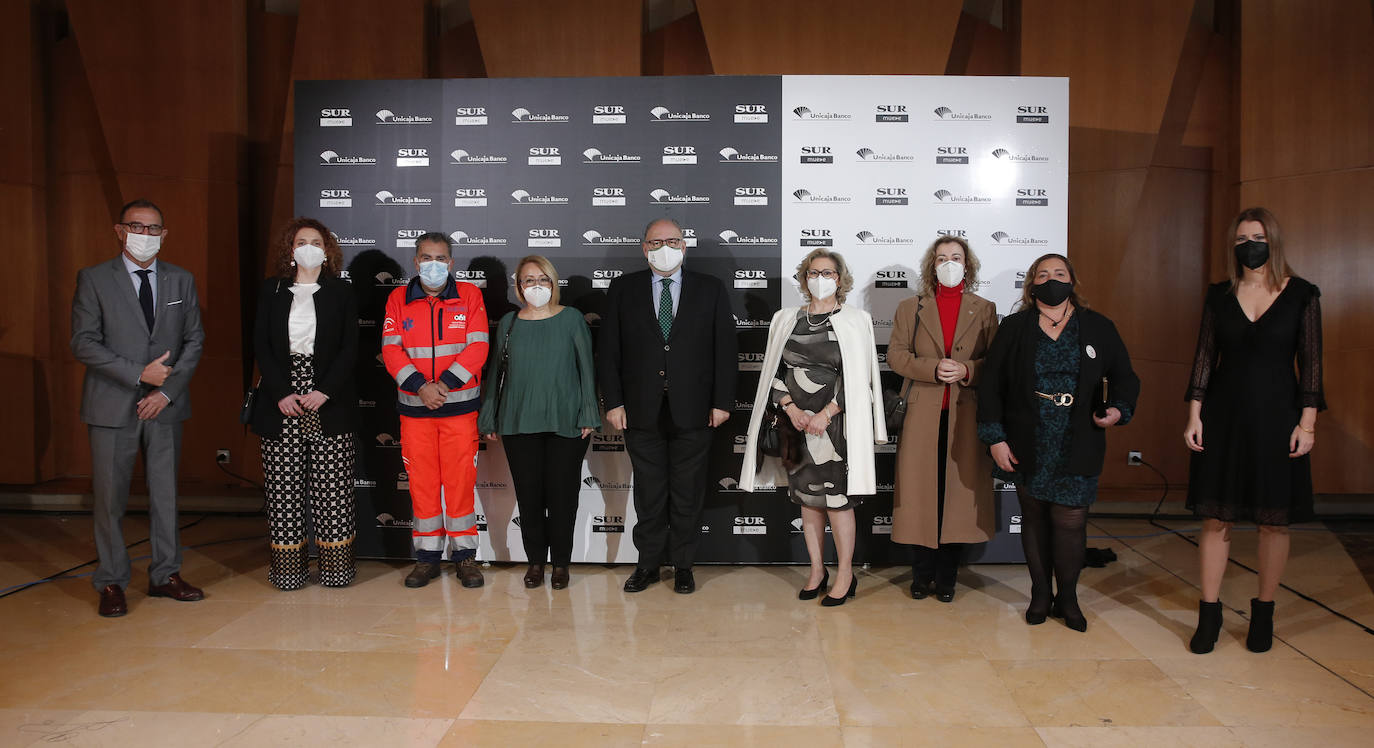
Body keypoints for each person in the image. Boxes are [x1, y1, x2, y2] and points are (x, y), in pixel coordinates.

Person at [1184, 207, 1324, 654]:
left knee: (1273, 521)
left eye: (1257, 236)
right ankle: (1209, 612)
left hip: (1279, 418)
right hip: (1223, 416)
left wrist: (1308, 424)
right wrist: (1194, 415)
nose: (1249, 245)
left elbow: (1312, 367)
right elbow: (1204, 360)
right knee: (1215, 517)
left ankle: (1264, 611)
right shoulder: (1218, 295)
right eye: (1242, 238)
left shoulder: (1302, 294)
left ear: (1273, 241)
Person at [977, 253, 1139, 631]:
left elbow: (1125, 379)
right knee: (1033, 518)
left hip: (1079, 438)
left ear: (1072, 281)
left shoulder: (1097, 326)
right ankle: (1039, 593)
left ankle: (1067, 596)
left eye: (1060, 273)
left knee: (1070, 521)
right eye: (1043, 274)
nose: (1052, 279)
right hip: (1026, 439)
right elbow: (991, 387)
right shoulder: (1014, 327)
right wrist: (995, 438)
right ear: (1032, 283)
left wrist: (1118, 410)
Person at [70, 198, 206, 617]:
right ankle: (111, 580)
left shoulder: (181, 281)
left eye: (153, 229)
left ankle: (166, 574)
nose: (145, 235)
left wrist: (164, 392)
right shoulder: (94, 278)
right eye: (137, 227)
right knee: (109, 499)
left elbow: (193, 341)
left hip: (165, 406)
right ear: (119, 230)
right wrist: (138, 375)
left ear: (163, 235)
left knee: (165, 494)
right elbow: (83, 342)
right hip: (112, 406)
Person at [740, 249, 887, 607]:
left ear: (840, 278)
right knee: (807, 501)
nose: (820, 278)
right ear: (804, 278)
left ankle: (846, 573)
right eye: (813, 272)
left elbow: (859, 377)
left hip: (836, 428)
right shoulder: (785, 319)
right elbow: (774, 373)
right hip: (797, 428)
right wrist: (790, 409)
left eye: (828, 272)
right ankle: (817, 570)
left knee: (837, 501)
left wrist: (829, 412)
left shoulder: (855, 320)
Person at [599, 217, 737, 594]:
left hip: (694, 410)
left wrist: (722, 401)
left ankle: (683, 566)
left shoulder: (710, 289)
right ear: (643, 248)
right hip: (640, 411)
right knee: (649, 493)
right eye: (655, 242)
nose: (664, 248)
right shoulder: (623, 289)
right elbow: (609, 351)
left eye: (672, 241)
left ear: (684, 246)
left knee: (688, 493)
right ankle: (647, 564)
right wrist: (613, 402)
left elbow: (725, 350)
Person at [478, 256, 600, 590]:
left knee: (563, 497)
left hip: (567, 422)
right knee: (529, 498)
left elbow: (586, 369)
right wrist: (488, 415)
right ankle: (535, 563)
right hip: (519, 422)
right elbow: (496, 376)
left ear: (553, 283)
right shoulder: (509, 323)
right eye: (528, 280)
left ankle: (561, 564)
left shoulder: (572, 319)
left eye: (542, 279)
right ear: (518, 287)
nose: (536, 286)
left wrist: (590, 410)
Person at [888, 237, 998, 602]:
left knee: (957, 500)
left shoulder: (984, 308)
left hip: (965, 416)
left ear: (968, 265)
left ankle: (947, 577)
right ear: (931, 265)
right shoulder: (910, 307)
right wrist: (933, 368)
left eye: (956, 257)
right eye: (941, 258)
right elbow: (897, 356)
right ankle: (921, 576)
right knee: (921, 497)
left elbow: (995, 364)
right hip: (922, 414)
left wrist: (966, 369)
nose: (948, 263)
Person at [251, 218, 359, 590]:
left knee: (334, 490)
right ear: (290, 249)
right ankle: (288, 571)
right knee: (284, 490)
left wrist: (324, 390)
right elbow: (261, 344)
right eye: (301, 241)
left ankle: (336, 570)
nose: (308, 246)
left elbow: (350, 348)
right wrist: (281, 392)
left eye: (316, 241)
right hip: (281, 400)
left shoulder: (341, 293)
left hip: (327, 400)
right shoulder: (272, 290)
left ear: (327, 250)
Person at [381, 232, 489, 589]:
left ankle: (465, 558)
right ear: (415, 262)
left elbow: (478, 348)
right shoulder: (398, 298)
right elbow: (391, 350)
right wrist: (420, 388)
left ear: (451, 263)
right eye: (426, 258)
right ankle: (426, 559)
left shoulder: (470, 296)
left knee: (460, 485)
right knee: (423, 486)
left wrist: (441, 385)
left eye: (441, 258)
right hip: (415, 411)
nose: (433, 265)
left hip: (458, 410)